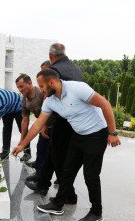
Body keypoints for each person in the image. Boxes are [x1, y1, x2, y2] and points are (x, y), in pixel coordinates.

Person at [13, 69, 121, 221]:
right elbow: (37, 124)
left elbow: (105, 104)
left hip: (97, 134)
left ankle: (97, 212)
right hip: (78, 135)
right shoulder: (50, 100)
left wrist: (112, 132)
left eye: (42, 86)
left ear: (51, 82)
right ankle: (58, 204)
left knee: (90, 175)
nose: (41, 90)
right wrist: (22, 144)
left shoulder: (78, 88)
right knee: (66, 170)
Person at [24, 44, 83, 202]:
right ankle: (43, 183)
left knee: (59, 157)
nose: (41, 89)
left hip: (60, 119)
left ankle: (70, 195)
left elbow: (48, 97)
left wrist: (45, 123)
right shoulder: (76, 69)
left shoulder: (54, 70)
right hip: (74, 119)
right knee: (53, 153)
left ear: (50, 56)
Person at [15, 74, 50, 181]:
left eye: (22, 86)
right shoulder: (24, 100)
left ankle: (58, 178)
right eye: (18, 88)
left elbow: (49, 110)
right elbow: (25, 120)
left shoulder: (41, 92)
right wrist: (22, 140)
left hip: (53, 125)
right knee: (41, 148)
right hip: (42, 126)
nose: (20, 90)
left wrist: (45, 125)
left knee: (55, 154)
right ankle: (39, 174)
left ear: (29, 83)